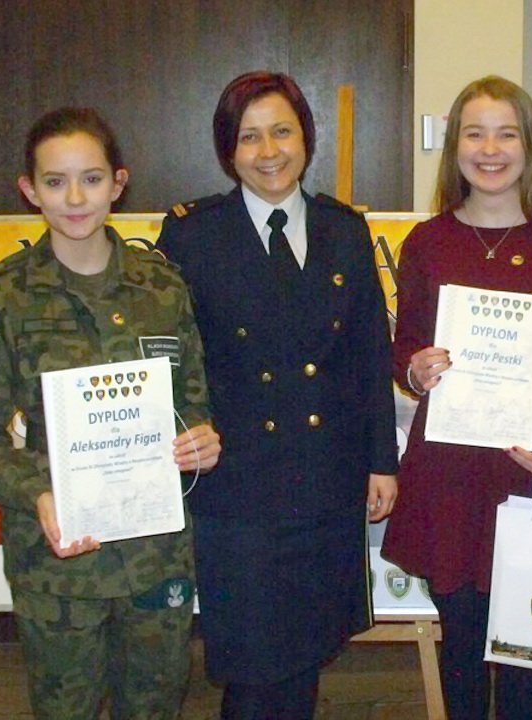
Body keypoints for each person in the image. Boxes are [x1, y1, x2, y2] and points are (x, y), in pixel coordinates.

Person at [0, 107, 222, 720]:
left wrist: (201, 442)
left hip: (155, 556)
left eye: (91, 179)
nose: (75, 198)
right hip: (59, 568)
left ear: (118, 183)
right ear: (29, 190)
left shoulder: (162, 288)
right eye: (55, 181)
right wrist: (38, 492)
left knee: (155, 708)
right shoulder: (7, 296)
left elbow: (192, 405)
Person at [155, 71, 398, 719]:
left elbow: (369, 353)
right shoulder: (192, 236)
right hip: (237, 486)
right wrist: (186, 427)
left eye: (282, 132)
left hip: (326, 476)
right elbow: (168, 356)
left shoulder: (344, 230)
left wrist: (382, 460)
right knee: (252, 660)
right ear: (228, 150)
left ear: (306, 138)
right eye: (250, 137)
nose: (269, 152)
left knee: (307, 650)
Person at [382, 75, 532, 720]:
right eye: (474, 134)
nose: (490, 149)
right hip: (450, 474)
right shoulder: (427, 242)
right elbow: (406, 346)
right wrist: (415, 369)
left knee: (527, 642)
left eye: (506, 134)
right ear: (454, 146)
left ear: (529, 144)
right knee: (459, 637)